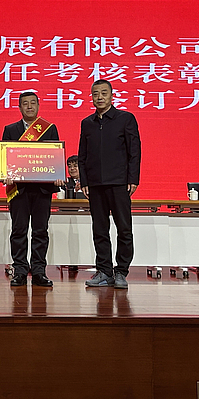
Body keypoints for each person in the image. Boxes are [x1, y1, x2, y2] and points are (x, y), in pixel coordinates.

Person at [79, 80, 141, 290]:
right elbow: (82, 155)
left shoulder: (125, 118)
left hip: (119, 183)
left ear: (112, 96)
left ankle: (121, 271)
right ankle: (104, 271)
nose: (99, 97)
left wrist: (133, 179)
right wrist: (84, 181)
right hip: (95, 184)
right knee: (100, 230)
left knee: (124, 229)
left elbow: (134, 151)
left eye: (104, 93)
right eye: (95, 93)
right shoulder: (87, 123)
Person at [2, 91, 64, 288]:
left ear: (38, 105)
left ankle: (38, 271)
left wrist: (57, 174)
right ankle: (20, 271)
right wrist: (5, 173)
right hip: (18, 190)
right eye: (25, 104)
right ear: (19, 107)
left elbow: (55, 156)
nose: (29, 107)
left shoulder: (50, 129)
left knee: (40, 231)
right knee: (18, 231)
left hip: (42, 190)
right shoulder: (10, 129)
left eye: (32, 103)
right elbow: (6, 157)